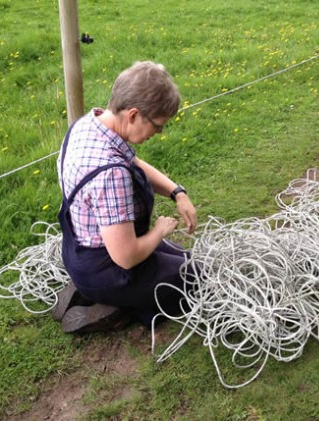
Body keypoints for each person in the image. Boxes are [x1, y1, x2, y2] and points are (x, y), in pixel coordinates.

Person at [53, 61, 197, 334]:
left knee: (187, 260)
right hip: (110, 266)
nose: (158, 133)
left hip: (80, 251)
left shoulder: (90, 124)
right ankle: (111, 307)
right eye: (158, 126)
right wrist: (159, 230)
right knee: (195, 279)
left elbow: (133, 162)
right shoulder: (110, 175)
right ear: (133, 115)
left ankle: (87, 289)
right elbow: (128, 257)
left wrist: (177, 192)